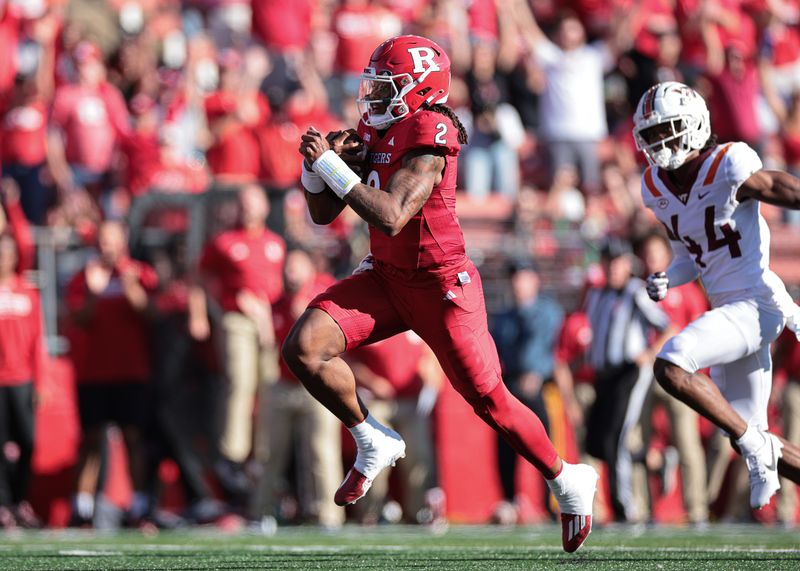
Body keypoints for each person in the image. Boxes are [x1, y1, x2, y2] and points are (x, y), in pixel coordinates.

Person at [286, 35, 597, 553]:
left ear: (418, 89)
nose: (375, 99)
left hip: (440, 286)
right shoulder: (379, 125)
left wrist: (333, 168)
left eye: (387, 88)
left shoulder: (433, 128)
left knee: (490, 401)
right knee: (304, 347)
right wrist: (314, 169)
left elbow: (391, 212)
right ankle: (371, 437)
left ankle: (566, 478)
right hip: (387, 276)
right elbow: (322, 214)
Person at [634, 81, 800, 511]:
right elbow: (691, 254)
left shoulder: (727, 162)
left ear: (693, 125)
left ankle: (751, 445)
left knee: (672, 364)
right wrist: (669, 277)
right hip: (729, 311)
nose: (658, 141)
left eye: (666, 129)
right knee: (751, 433)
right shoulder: (655, 185)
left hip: (757, 306)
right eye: (650, 133)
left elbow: (777, 187)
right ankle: (753, 445)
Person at [190, 184, 285, 502]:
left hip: (267, 321)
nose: (247, 211)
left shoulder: (275, 244)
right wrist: (203, 312)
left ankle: (261, 453)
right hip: (236, 318)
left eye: (252, 204)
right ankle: (233, 452)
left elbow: (278, 286)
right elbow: (200, 277)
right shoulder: (224, 242)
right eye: (243, 204)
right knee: (240, 381)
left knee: (269, 387)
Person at [65, 220, 157, 526]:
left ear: (123, 242)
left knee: (133, 437)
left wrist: (130, 286)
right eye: (103, 240)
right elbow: (79, 319)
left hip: (131, 370)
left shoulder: (138, 272)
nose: (107, 246)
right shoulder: (84, 277)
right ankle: (82, 508)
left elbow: (150, 314)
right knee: (91, 440)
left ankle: (138, 505)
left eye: (112, 240)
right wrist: (94, 292)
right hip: (93, 371)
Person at [583, 238, 675, 522]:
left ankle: (624, 508)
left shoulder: (636, 292)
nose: (612, 267)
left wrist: (649, 354)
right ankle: (655, 460)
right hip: (604, 374)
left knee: (616, 439)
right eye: (608, 261)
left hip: (630, 372)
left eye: (617, 261)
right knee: (595, 444)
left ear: (627, 264)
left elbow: (668, 326)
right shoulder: (595, 295)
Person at [251, 248, 343, 530]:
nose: (289, 274)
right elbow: (268, 345)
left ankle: (328, 514)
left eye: (295, 267)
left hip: (317, 384)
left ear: (309, 269)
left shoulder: (325, 294)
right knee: (270, 452)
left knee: (321, 450)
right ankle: (261, 512)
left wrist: (305, 314)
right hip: (283, 385)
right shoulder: (276, 302)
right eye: (287, 268)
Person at [635, 231, 709, 525]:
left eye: (657, 253)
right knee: (638, 442)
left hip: (678, 371)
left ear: (667, 256)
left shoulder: (686, 291)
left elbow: (700, 330)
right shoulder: (638, 289)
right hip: (644, 375)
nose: (652, 259)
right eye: (648, 253)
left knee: (687, 444)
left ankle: (697, 509)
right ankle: (640, 509)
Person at [490, 260, 563, 523]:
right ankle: (510, 500)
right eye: (514, 278)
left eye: (522, 277)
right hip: (510, 388)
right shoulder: (504, 317)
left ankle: (549, 502)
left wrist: (535, 372)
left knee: (544, 445)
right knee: (505, 447)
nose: (517, 283)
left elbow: (546, 347)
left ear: (535, 280)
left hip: (539, 388)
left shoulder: (547, 311)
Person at [346, 331, 444, 526]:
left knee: (419, 456)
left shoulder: (415, 324)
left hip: (412, 401)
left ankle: (418, 512)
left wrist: (430, 384)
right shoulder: (373, 323)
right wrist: (372, 382)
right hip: (377, 402)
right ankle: (370, 513)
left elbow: (432, 357)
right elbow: (348, 359)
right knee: (375, 457)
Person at [0, 180, 43, 528]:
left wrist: (40, 381)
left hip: (22, 379)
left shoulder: (27, 291)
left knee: (28, 443)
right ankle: (3, 504)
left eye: (9, 253)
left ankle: (20, 499)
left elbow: (36, 340)